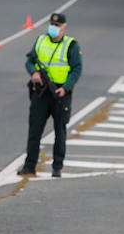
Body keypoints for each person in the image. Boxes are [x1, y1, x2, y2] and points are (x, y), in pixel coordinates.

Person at [19, 12, 81, 178]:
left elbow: (77, 69)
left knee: (59, 130)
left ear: (64, 27)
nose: (54, 28)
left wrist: (66, 87)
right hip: (41, 92)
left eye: (57, 25)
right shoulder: (41, 40)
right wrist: (33, 72)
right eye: (52, 25)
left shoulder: (71, 45)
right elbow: (29, 61)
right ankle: (29, 166)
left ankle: (57, 167)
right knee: (35, 129)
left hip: (60, 94)